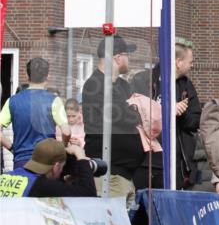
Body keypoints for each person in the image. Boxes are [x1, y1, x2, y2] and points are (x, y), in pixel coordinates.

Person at [82, 35, 144, 207]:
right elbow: (128, 116)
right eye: (127, 55)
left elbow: (139, 110)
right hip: (109, 175)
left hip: (125, 175)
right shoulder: (96, 84)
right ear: (117, 57)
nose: (128, 59)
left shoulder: (123, 86)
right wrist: (134, 111)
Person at [0, 57, 70, 167]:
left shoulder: (12, 101)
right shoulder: (54, 101)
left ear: (27, 76)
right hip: (47, 161)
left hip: (21, 160)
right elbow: (66, 132)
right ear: (48, 76)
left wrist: (12, 148)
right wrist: (63, 147)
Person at [0, 138, 96, 198]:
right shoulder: (40, 185)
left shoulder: (5, 177)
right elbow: (88, 195)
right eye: (62, 167)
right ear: (56, 167)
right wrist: (81, 157)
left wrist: (65, 182)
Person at [174, 43, 202, 189]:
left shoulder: (187, 86)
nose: (192, 66)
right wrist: (169, 110)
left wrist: (182, 114)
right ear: (179, 62)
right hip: (154, 162)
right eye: (190, 62)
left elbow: (195, 120)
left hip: (181, 161)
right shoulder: (153, 81)